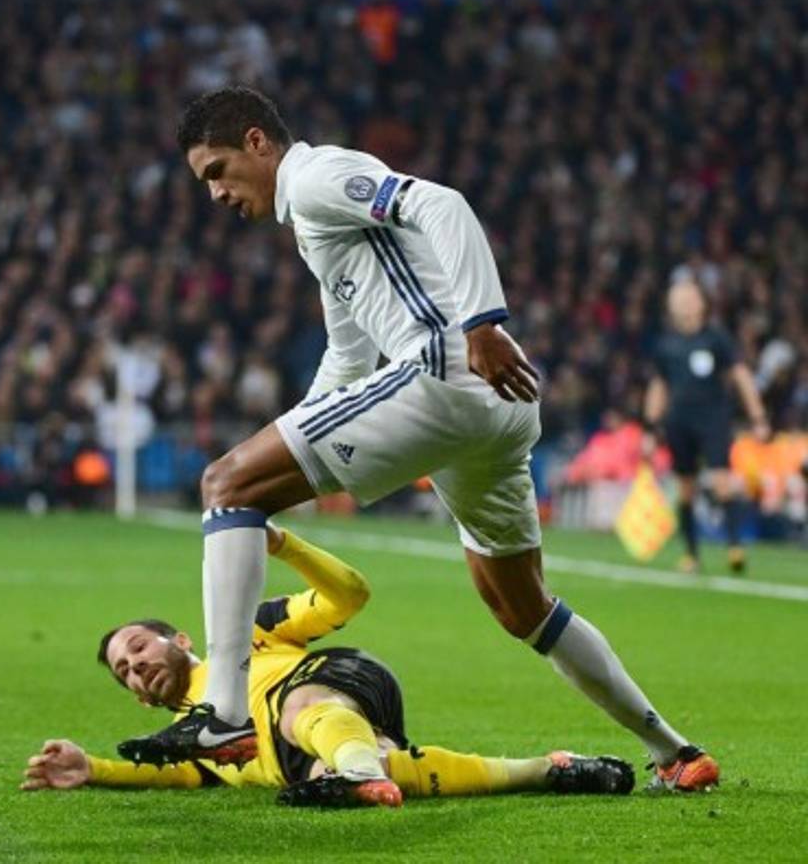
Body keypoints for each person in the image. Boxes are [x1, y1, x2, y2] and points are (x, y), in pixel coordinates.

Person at [116, 86, 717, 793]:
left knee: (225, 485)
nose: (214, 192)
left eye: (216, 170)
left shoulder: (313, 178)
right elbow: (346, 360)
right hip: (488, 408)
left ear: (256, 143)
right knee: (522, 607)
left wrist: (482, 322)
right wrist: (296, 449)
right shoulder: (315, 229)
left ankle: (220, 710)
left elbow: (442, 205)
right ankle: (675, 752)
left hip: (448, 373)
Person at [23, 524, 634, 807]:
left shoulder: (247, 631)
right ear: (136, 699)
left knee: (301, 709)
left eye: (138, 647)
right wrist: (93, 769)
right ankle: (548, 769)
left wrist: (285, 545)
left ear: (180, 639)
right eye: (124, 672)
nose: (135, 666)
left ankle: (356, 769)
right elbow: (173, 777)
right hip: (310, 754)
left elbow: (350, 596)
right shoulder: (191, 742)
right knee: (338, 768)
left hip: (337, 683)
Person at [643, 279, 770, 574]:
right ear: (670, 305)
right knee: (685, 488)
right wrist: (650, 428)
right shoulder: (666, 344)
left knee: (721, 482)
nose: (684, 302)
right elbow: (659, 386)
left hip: (713, 419)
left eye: (689, 297)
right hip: (679, 421)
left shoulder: (717, 338)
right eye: (678, 297)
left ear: (701, 302)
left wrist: (758, 417)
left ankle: (735, 546)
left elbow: (741, 376)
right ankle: (691, 554)